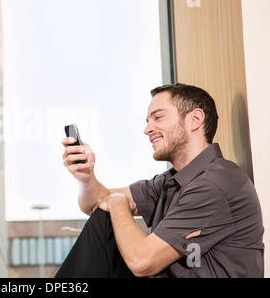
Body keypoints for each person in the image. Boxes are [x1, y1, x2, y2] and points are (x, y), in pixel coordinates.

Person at [56, 83, 264, 278]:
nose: (147, 129)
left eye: (158, 117)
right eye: (147, 121)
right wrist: (86, 176)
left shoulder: (215, 183)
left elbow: (142, 261)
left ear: (195, 119)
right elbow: (96, 202)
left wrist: (119, 202)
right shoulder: (171, 182)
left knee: (114, 214)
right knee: (105, 219)